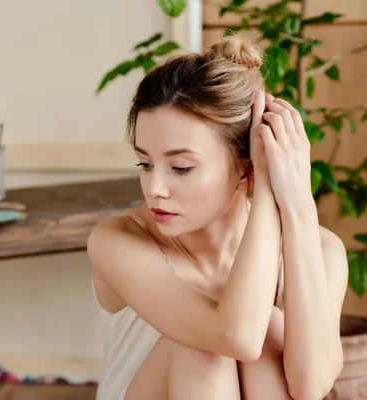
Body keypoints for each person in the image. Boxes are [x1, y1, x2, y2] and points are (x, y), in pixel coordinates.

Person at [87, 35, 349, 399]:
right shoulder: (117, 240)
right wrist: (268, 192)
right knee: (207, 346)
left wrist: (298, 207)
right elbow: (235, 336)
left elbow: (311, 385)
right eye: (145, 163)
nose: (154, 188)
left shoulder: (321, 248)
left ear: (247, 170)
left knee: (271, 328)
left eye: (180, 168)